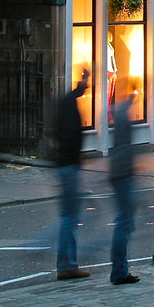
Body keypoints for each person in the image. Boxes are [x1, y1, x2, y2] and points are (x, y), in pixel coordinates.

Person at [54, 69, 91, 281]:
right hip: (69, 166)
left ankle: (68, 263)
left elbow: (74, 94)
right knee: (70, 217)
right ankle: (66, 263)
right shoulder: (67, 105)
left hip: (66, 165)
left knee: (70, 216)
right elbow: (70, 136)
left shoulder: (65, 102)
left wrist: (83, 84)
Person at [108, 92, 140, 285]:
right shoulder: (122, 121)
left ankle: (119, 269)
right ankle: (119, 271)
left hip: (121, 174)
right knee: (124, 223)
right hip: (122, 176)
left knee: (125, 221)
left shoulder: (121, 118)